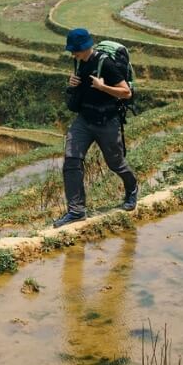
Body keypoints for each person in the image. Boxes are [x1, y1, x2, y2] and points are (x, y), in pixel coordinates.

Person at [53, 28, 139, 227]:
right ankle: (76, 211)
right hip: (84, 120)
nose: (72, 54)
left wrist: (103, 87)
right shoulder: (78, 62)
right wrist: (72, 83)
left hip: (106, 121)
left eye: (75, 50)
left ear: (85, 48)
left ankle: (132, 188)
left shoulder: (105, 64)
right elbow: (79, 89)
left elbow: (126, 92)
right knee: (71, 160)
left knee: (115, 163)